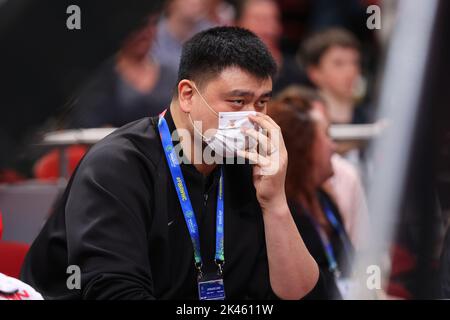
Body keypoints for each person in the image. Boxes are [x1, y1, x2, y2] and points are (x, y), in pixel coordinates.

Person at [21, 26, 320, 300]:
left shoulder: (250, 166)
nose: (251, 118)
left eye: (261, 103)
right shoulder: (117, 166)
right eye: (237, 102)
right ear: (188, 95)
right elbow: (115, 293)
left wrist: (275, 202)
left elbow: (296, 291)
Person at [268, 94, 354, 299]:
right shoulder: (283, 213)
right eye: (326, 135)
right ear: (304, 146)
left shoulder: (324, 199)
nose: (334, 146)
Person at [68, 14, 177, 128]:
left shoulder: (169, 75)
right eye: (141, 25)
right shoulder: (101, 76)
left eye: (154, 24)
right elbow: (87, 122)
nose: (148, 32)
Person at [235, 0, 307, 94]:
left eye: (274, 19)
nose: (269, 29)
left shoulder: (298, 74)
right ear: (237, 24)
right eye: (259, 20)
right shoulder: (222, 70)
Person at [300, 27, 370, 125]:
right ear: (315, 73)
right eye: (339, 63)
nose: (351, 71)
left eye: (355, 62)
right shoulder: (303, 120)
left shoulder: (371, 117)